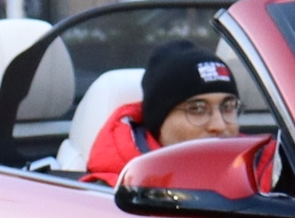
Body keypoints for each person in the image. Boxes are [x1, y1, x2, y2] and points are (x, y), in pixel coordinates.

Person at [83, 42, 243, 185]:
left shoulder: (262, 174)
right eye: (197, 109)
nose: (219, 125)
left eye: (228, 107)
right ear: (159, 123)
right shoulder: (111, 199)